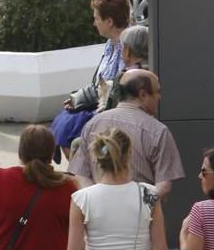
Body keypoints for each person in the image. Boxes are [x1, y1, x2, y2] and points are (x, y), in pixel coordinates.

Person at [69, 69, 185, 200]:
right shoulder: (158, 131)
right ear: (143, 95)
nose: (159, 97)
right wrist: (140, 206)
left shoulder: (93, 123)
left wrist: (96, 201)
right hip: (141, 217)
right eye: (157, 92)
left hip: (98, 216)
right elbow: (163, 186)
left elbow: (80, 174)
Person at [51, 0, 129, 158]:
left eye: (97, 19)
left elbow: (114, 87)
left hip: (110, 109)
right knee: (63, 120)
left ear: (109, 21)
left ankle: (82, 172)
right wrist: (78, 98)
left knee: (70, 128)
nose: (94, 23)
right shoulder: (110, 44)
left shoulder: (126, 48)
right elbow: (99, 83)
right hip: (98, 102)